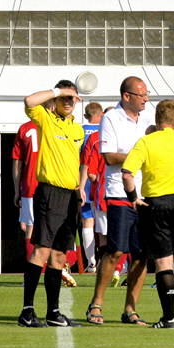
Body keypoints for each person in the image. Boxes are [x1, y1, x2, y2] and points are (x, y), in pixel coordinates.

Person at [122, 100, 174, 329]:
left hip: (156, 204)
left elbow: (127, 174)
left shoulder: (146, 141)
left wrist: (133, 198)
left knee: (163, 261)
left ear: (157, 118)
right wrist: (173, 126)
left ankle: (169, 318)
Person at [86, 77, 154, 326]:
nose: (146, 99)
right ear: (127, 96)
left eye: (146, 94)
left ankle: (130, 309)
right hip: (119, 192)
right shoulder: (111, 118)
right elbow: (109, 156)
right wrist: (139, 156)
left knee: (141, 255)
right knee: (115, 250)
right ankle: (96, 303)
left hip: (146, 193)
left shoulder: (148, 120)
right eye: (141, 94)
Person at [17, 80, 85, 328]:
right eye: (64, 98)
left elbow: (77, 162)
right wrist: (58, 91)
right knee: (42, 250)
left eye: (71, 98)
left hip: (70, 196)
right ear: (55, 100)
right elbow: (29, 101)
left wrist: (80, 187)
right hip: (50, 192)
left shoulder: (77, 129)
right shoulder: (46, 119)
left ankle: (53, 313)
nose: (68, 102)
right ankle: (27, 311)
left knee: (59, 255)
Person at [12, 116, 42, 261]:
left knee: (30, 226)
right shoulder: (55, 125)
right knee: (52, 226)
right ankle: (53, 267)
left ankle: (33, 267)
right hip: (52, 184)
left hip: (30, 183)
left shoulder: (25, 128)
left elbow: (17, 163)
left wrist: (17, 190)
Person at [79, 102, 103, 272]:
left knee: (87, 221)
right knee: (106, 225)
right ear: (101, 115)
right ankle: (117, 264)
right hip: (101, 182)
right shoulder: (104, 131)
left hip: (84, 181)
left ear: (86, 116)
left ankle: (91, 262)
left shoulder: (79, 131)